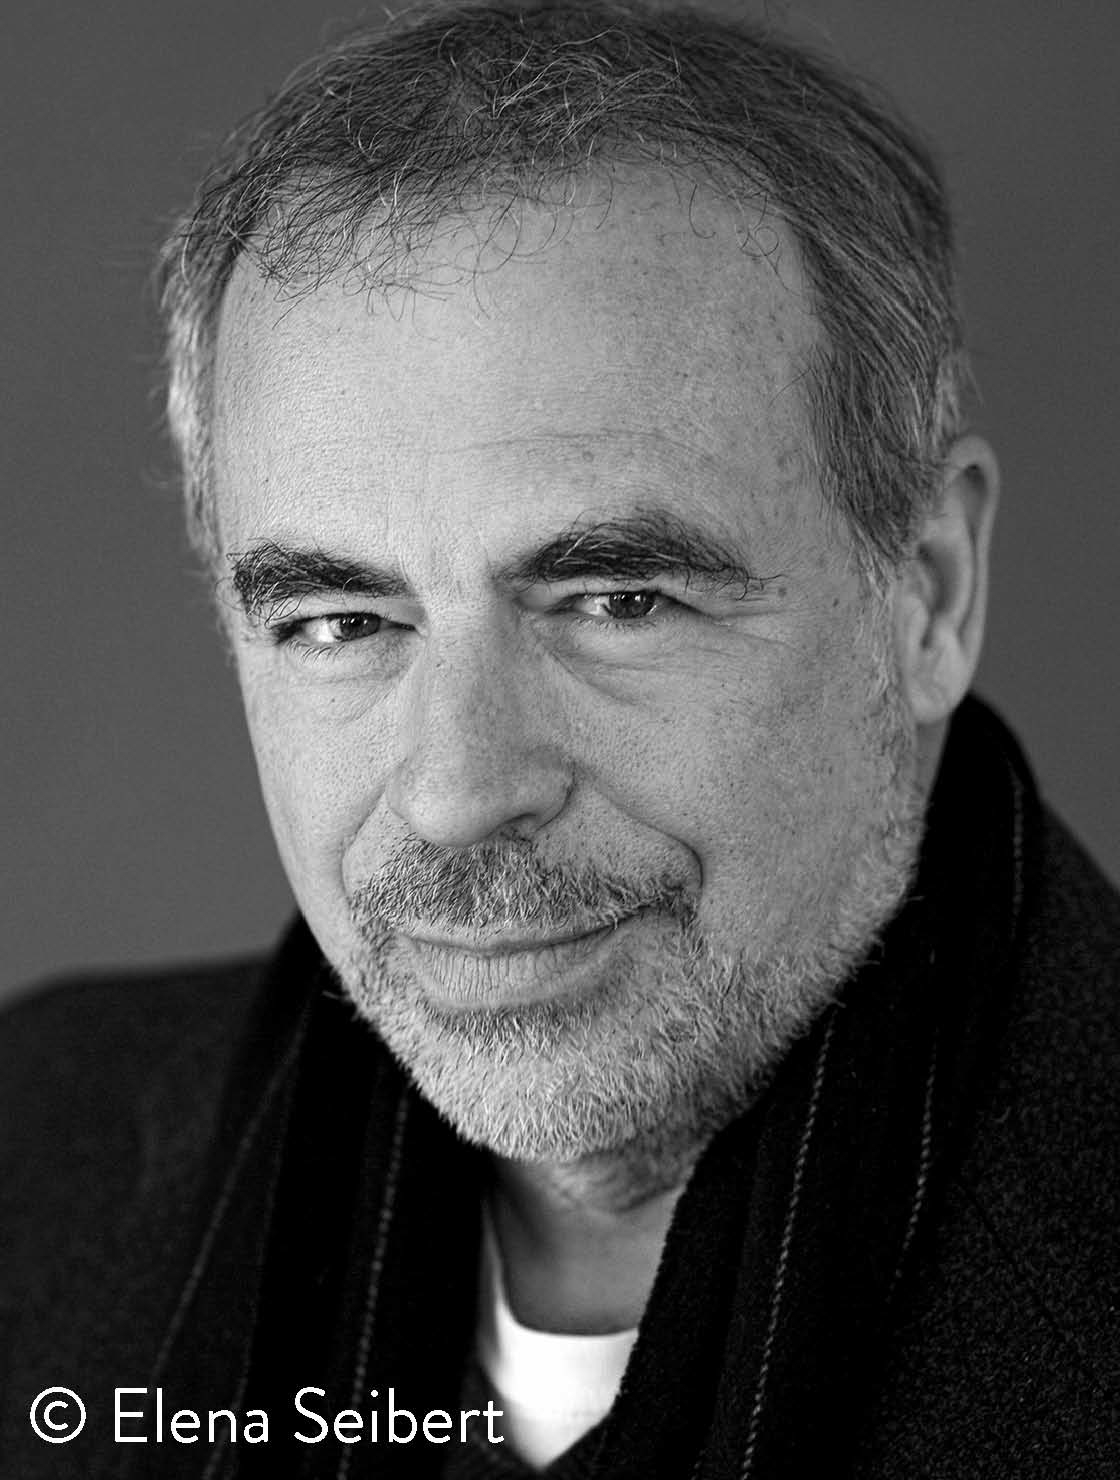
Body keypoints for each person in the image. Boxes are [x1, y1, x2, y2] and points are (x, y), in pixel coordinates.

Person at [3, 2, 1117, 1475]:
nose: (462, 793)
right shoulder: (37, 1153)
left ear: (928, 594)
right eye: (340, 620)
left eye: (617, 601)